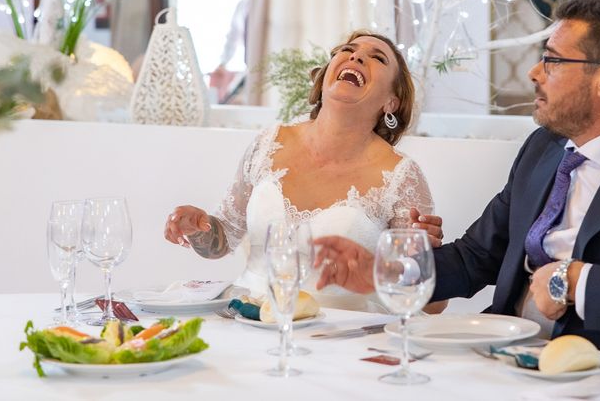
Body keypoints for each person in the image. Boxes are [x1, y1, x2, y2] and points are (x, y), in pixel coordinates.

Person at [313, 0, 600, 377]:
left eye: (552, 61)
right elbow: (477, 257)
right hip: (504, 362)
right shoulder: (544, 149)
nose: (535, 73)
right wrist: (383, 272)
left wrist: (573, 282)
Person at [165, 30, 444, 312]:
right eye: (348, 49)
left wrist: (419, 258)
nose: (357, 56)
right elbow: (223, 238)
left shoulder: (401, 175)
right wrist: (197, 227)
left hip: (342, 336)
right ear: (325, 77)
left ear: (391, 102)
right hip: (251, 318)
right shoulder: (268, 143)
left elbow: (433, 304)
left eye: (377, 58)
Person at [209, 0, 252, 103]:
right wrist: (223, 63)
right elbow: (233, 38)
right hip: (249, 67)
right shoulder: (242, 6)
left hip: (264, 68)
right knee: (228, 99)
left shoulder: (268, 4)